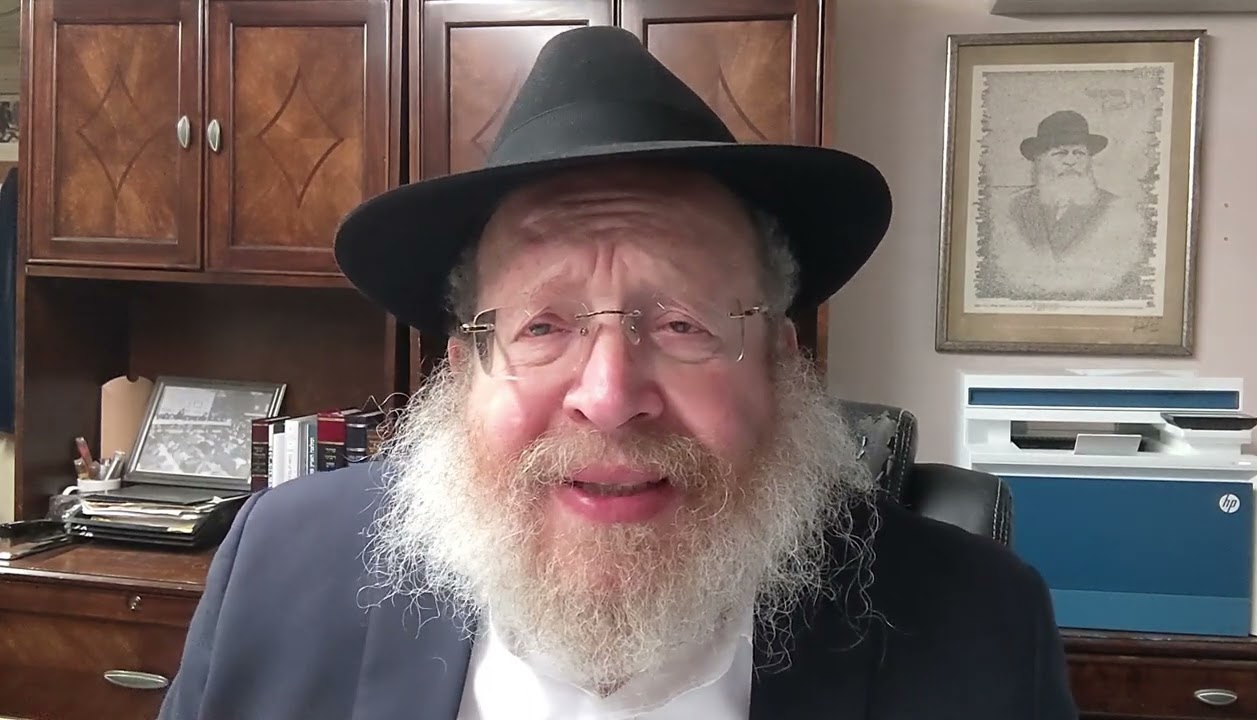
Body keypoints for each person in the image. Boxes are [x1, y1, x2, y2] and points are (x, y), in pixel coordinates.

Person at [157, 27, 1077, 719]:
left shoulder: (983, 626)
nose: (607, 397)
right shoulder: (278, 569)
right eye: (542, 326)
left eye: (682, 325)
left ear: (781, 365)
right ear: (464, 372)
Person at [989, 110, 1147, 300]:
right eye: (1060, 153)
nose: (1071, 161)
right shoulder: (1013, 207)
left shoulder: (1116, 210)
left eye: (1079, 153)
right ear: (1040, 160)